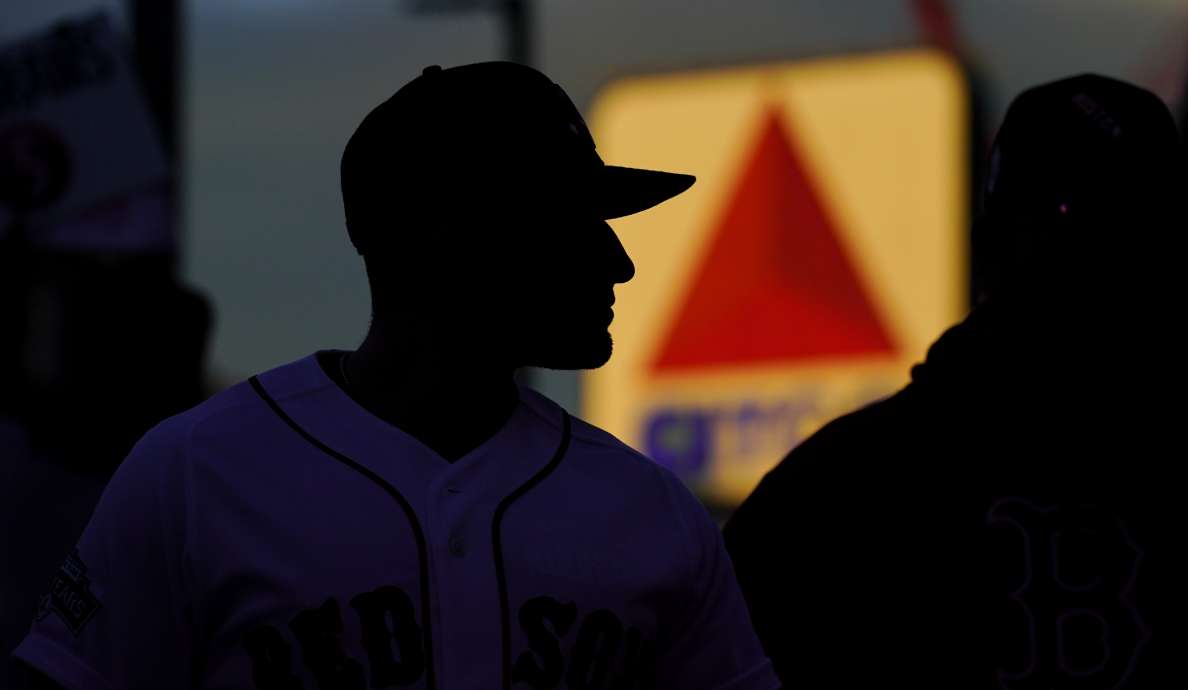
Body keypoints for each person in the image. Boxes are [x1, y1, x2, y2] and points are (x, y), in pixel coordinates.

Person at [11, 61, 778, 690]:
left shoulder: (654, 513)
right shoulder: (193, 474)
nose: (618, 261)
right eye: (571, 222)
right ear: (446, 236)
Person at [723, 74, 1188, 688]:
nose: (1100, 270)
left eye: (1129, 231)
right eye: (1068, 220)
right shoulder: (836, 495)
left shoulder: (837, 489)